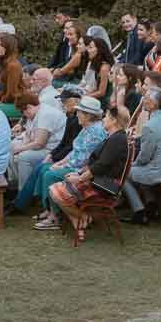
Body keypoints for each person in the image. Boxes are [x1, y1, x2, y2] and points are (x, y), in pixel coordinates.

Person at [48, 107, 130, 242]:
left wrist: (79, 178)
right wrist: (79, 173)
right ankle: (78, 221)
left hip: (102, 187)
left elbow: (100, 166)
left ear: (114, 120)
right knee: (55, 189)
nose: (103, 119)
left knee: (55, 192)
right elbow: (97, 163)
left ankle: (84, 218)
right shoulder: (115, 137)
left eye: (107, 117)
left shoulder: (117, 140)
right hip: (98, 181)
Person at [28, 96, 107, 227]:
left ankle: (55, 217)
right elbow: (74, 151)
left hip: (83, 171)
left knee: (50, 174)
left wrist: (62, 166)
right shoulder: (87, 128)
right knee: (44, 168)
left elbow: (84, 159)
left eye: (80, 112)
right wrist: (60, 163)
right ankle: (49, 209)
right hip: (75, 165)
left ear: (88, 115)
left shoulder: (96, 132)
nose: (77, 115)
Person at [121, 88, 161, 224]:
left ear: (154, 104)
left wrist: (132, 165)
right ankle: (151, 205)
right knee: (140, 171)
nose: (143, 99)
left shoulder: (150, 126)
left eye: (147, 97)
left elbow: (144, 157)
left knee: (123, 172)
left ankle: (139, 212)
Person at [10, 91, 67, 191]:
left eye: (23, 111)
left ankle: (24, 191)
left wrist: (20, 149)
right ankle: (15, 183)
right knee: (11, 146)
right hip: (43, 146)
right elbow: (28, 134)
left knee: (24, 157)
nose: (23, 114)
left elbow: (40, 143)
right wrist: (21, 147)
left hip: (53, 149)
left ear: (28, 107)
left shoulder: (45, 114)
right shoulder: (34, 112)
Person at [0, 34, 26, 118]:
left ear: (8, 47)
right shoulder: (6, 63)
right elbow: (5, 88)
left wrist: (1, 100)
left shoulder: (13, 65)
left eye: (1, 45)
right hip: (9, 101)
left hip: (16, 103)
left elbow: (12, 93)